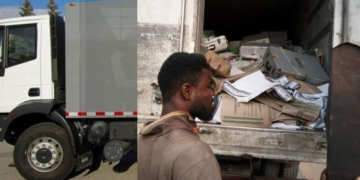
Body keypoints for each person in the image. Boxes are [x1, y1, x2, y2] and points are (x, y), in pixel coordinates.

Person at [137, 52, 222, 180]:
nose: (213, 93)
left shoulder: (140, 142)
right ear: (187, 91)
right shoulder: (198, 155)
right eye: (209, 86)